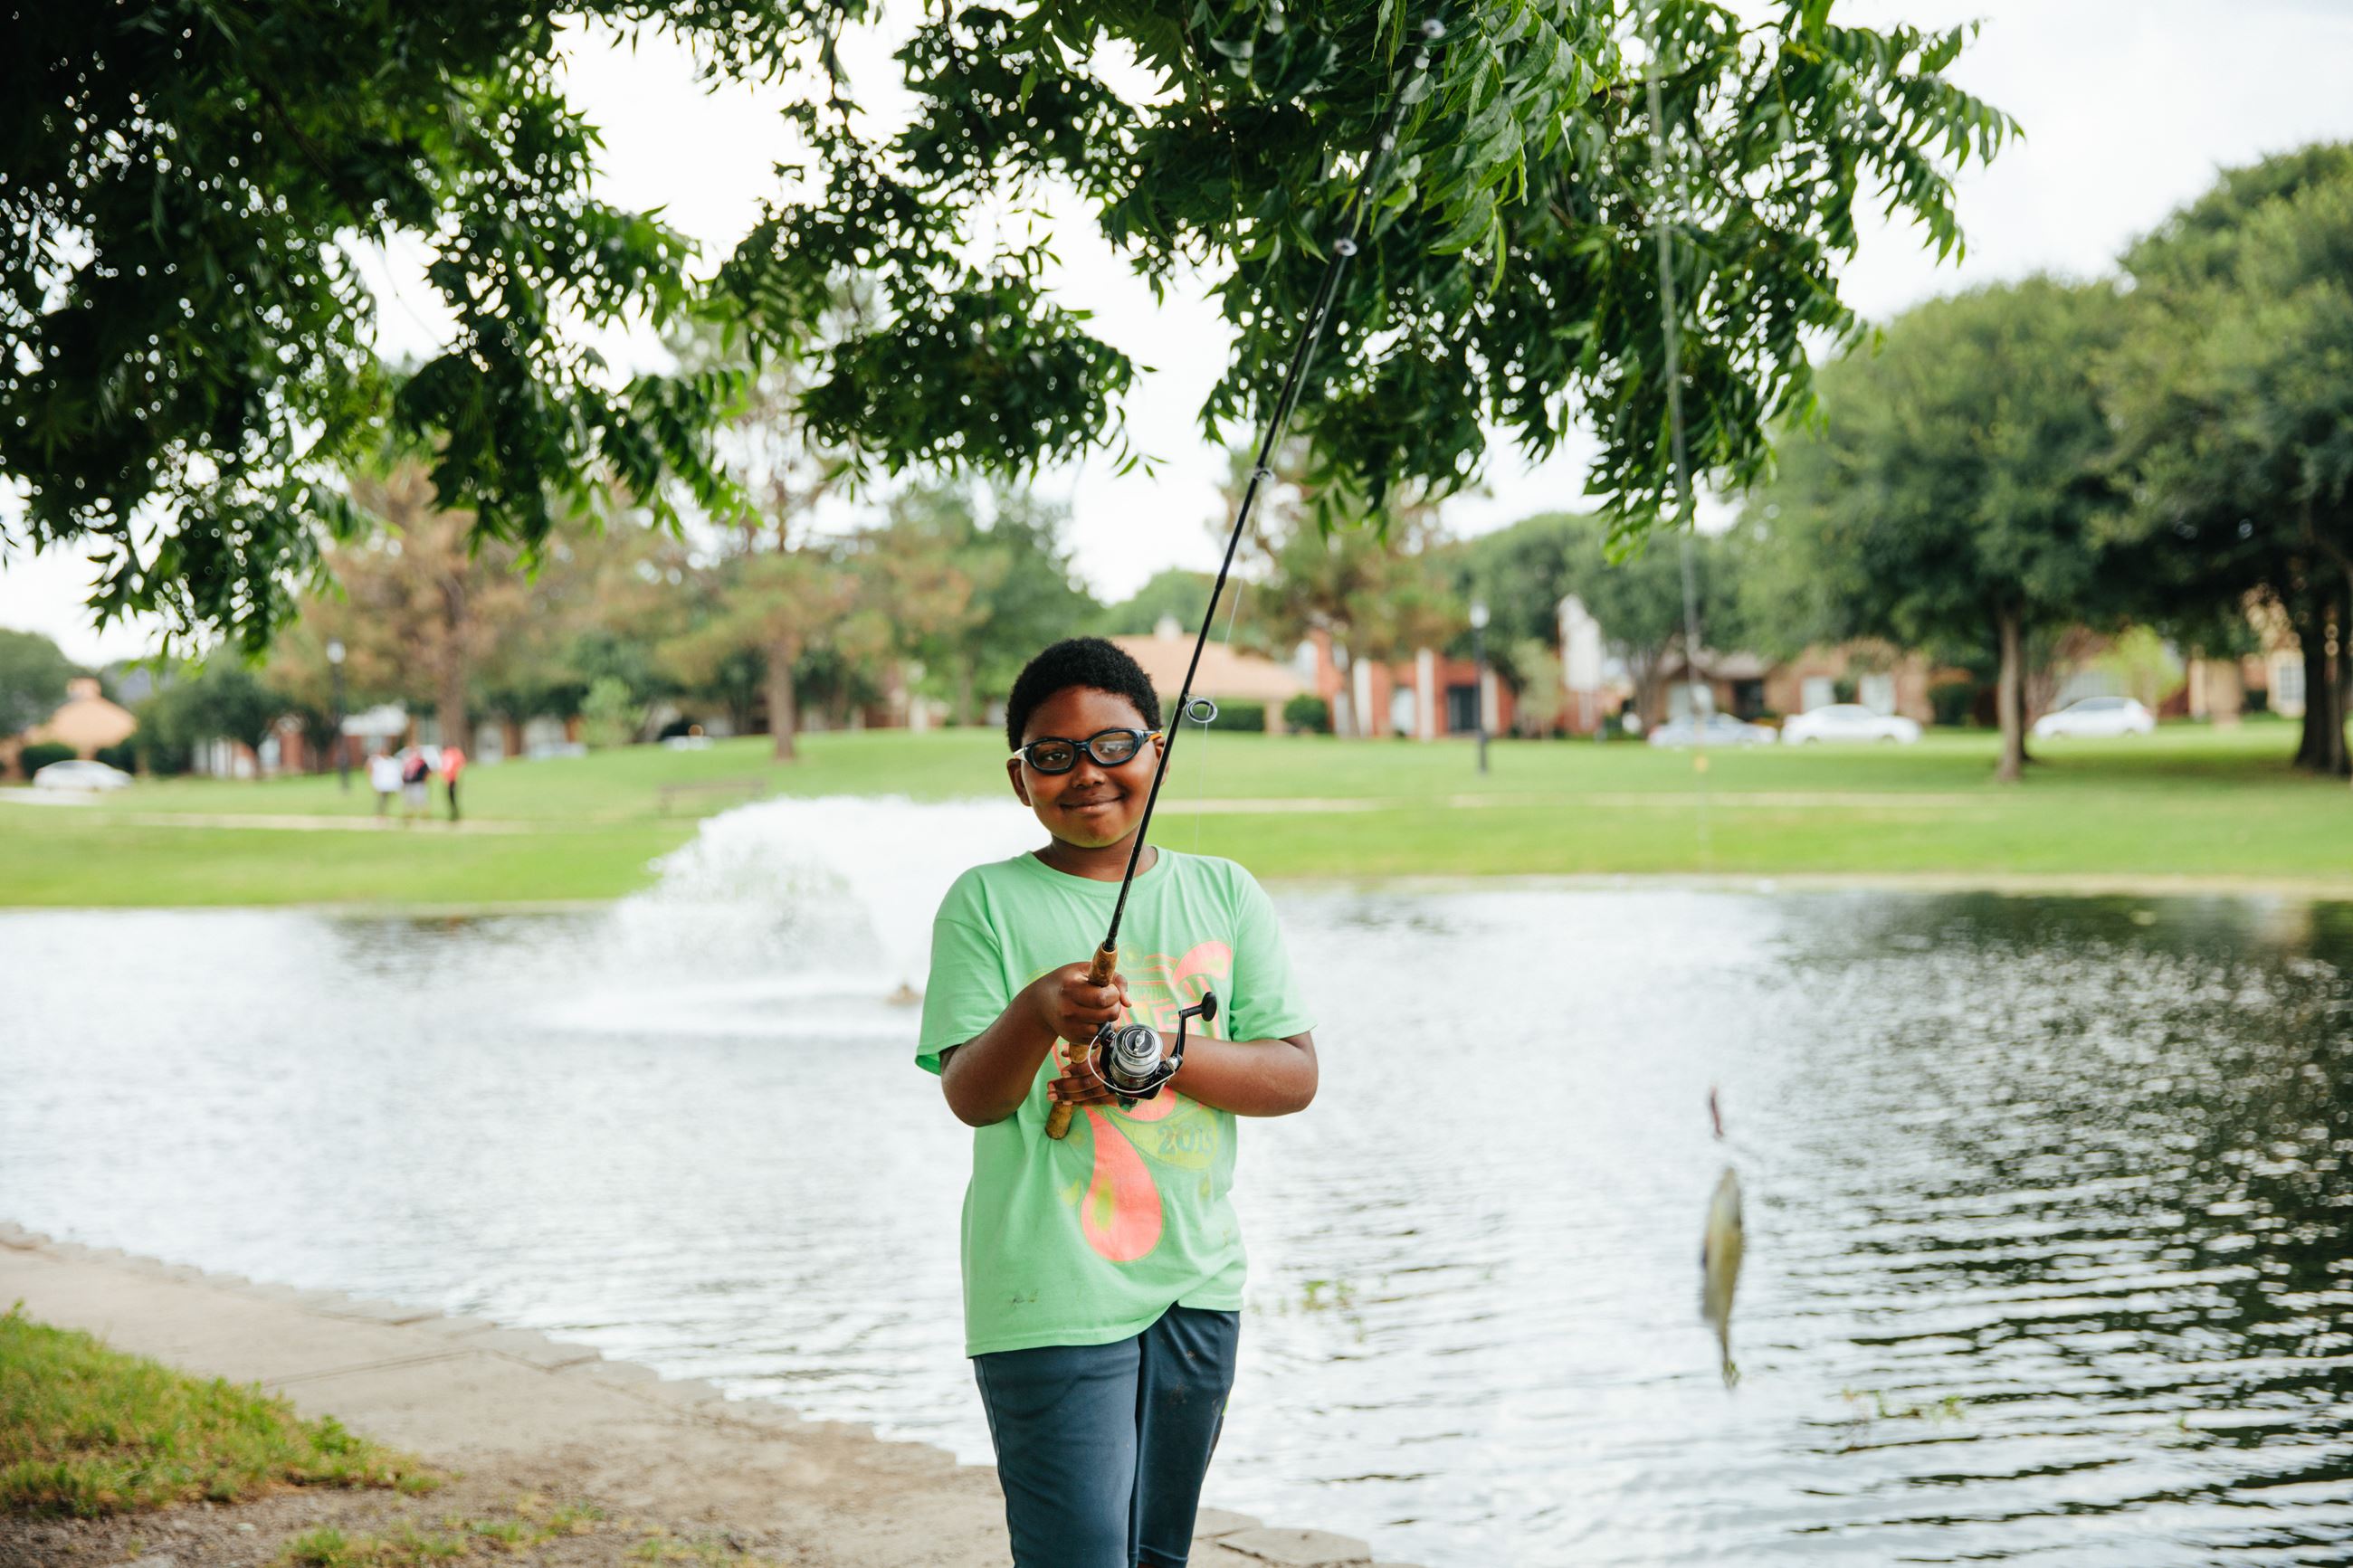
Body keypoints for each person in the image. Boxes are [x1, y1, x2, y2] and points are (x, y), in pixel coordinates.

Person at [919, 637, 1319, 1568]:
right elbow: (972, 1096)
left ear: (1157, 754)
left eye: (1113, 744)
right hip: (1045, 1288)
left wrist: (1165, 1053)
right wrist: (1036, 1010)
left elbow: (1292, 1074)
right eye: (1051, 755)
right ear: (1020, 779)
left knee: (1154, 1550)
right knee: (1080, 1551)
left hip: (1195, 1283)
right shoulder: (984, 903)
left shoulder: (1223, 890)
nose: (1086, 773)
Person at [398, 746, 431, 823]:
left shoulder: (422, 762)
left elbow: (427, 772)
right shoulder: (407, 761)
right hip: (409, 783)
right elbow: (404, 772)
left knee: (421, 800)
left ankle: (425, 816)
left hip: (419, 783)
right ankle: (409, 816)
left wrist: (424, 780)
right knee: (408, 801)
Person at [367, 746, 401, 819]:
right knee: (382, 799)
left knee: (385, 800)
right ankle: (380, 813)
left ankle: (382, 813)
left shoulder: (390, 761)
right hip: (381, 785)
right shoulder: (377, 761)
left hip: (388, 785)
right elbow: (371, 770)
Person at [441, 742, 466, 822]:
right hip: (449, 780)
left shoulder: (454, 753)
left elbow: (460, 765)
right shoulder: (448, 753)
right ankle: (453, 813)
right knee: (450, 798)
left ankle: (455, 814)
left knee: (453, 798)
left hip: (453, 779)